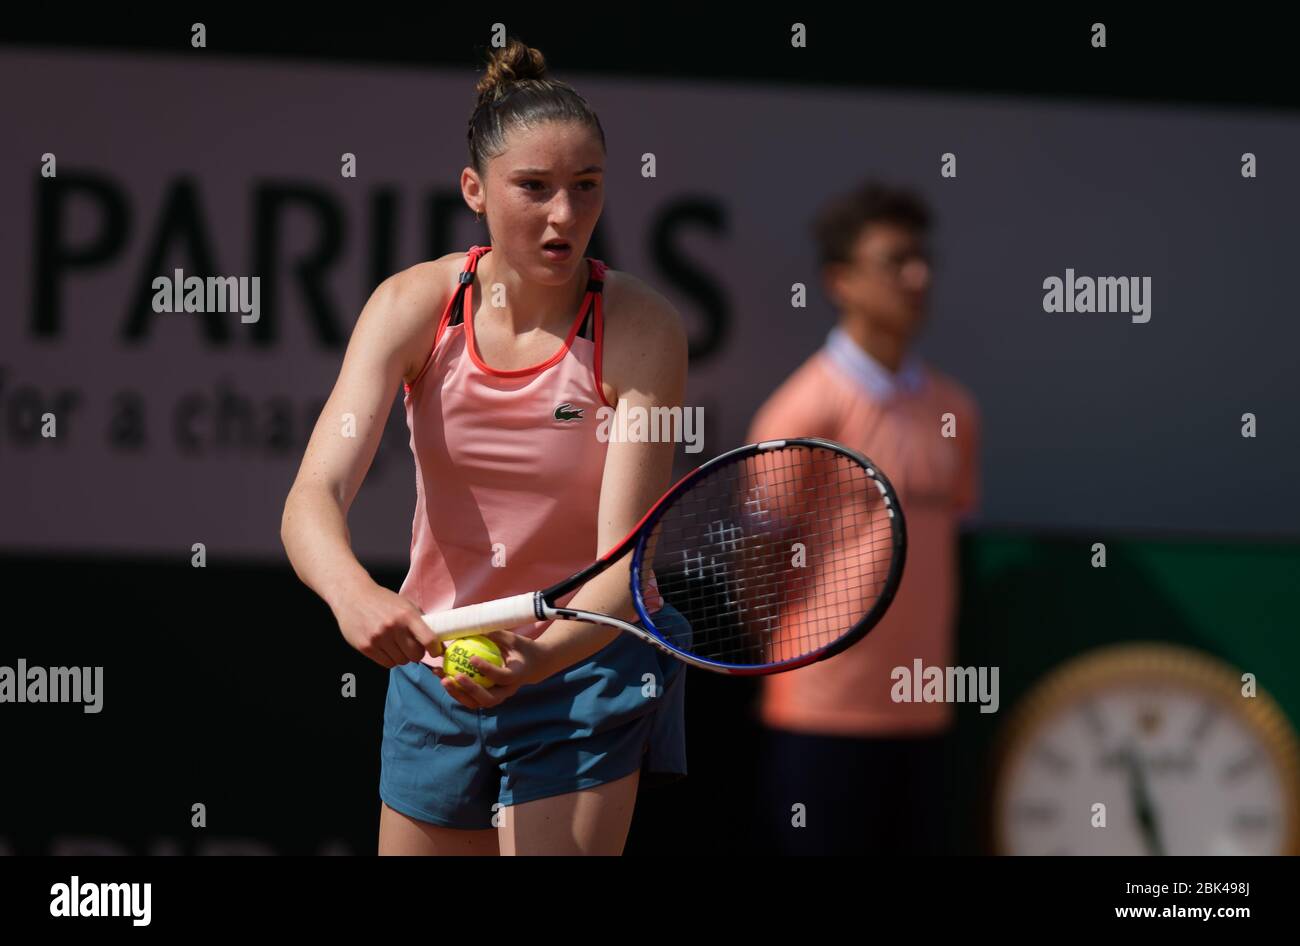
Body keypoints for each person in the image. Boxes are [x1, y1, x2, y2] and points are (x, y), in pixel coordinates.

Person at [280, 39, 689, 855]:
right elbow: (311, 498)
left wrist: (537, 663)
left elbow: (623, 568)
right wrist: (356, 597)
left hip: (583, 667)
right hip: (439, 665)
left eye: (586, 188)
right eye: (533, 189)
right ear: (474, 189)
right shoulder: (412, 306)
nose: (564, 216)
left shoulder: (642, 330)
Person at [746, 181, 981, 855]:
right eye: (896, 260)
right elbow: (757, 565)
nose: (918, 276)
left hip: (925, 715)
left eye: (923, 259)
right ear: (841, 281)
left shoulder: (957, 411)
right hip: (818, 718)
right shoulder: (801, 412)